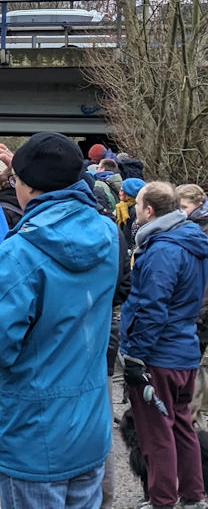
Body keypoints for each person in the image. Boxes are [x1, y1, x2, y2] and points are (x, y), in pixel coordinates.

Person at [0, 133, 118, 506]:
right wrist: (26, 166)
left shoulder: (18, 253)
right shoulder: (108, 234)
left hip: (34, 431)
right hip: (89, 425)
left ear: (27, 186)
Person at [119, 181, 208, 509]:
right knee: (182, 424)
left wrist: (136, 356)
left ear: (149, 210)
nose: (134, 210)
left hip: (159, 355)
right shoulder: (193, 241)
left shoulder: (161, 249)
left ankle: (162, 500)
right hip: (184, 349)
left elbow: (152, 307)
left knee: (157, 432)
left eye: (137, 205)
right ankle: (193, 495)